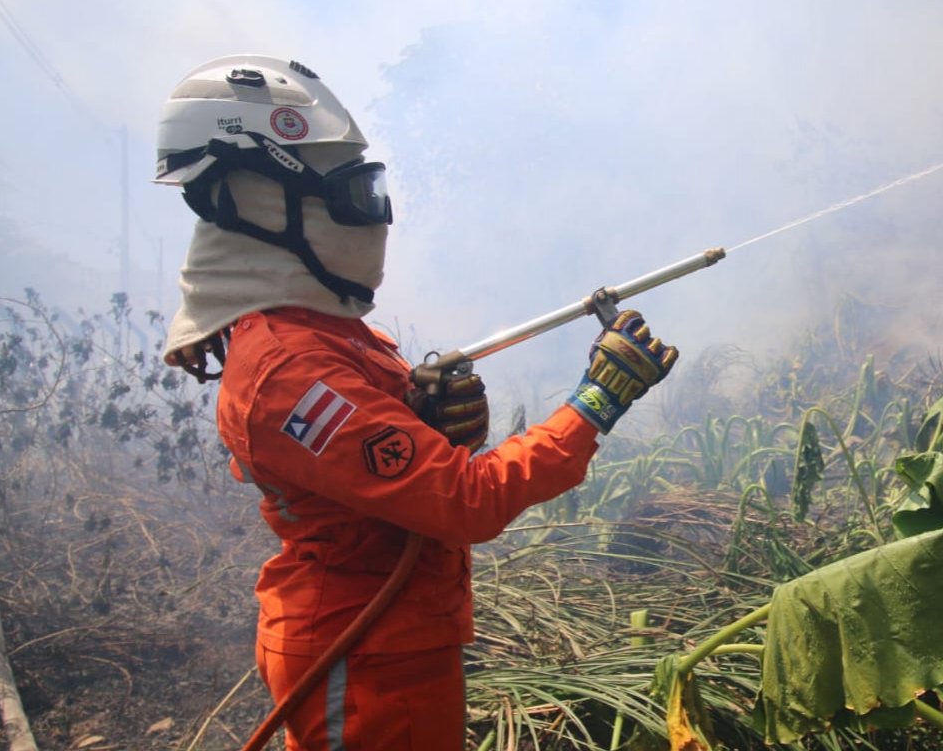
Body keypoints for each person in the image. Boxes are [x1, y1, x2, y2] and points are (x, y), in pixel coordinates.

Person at [153, 55, 677, 750]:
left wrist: (423, 419)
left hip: (392, 633)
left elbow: (387, 466)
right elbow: (467, 501)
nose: (372, 216)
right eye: (350, 195)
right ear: (259, 205)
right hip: (360, 653)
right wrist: (594, 405)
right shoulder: (287, 369)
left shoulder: (327, 334)